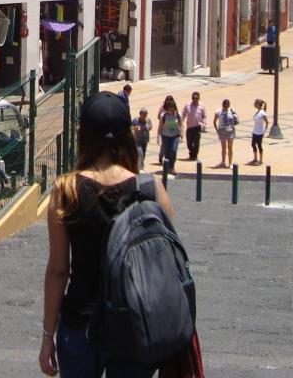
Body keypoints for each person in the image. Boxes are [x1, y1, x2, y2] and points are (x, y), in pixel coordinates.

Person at [39, 92, 177, 377]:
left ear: (82, 136)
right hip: (136, 323)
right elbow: (168, 262)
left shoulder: (66, 190)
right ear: (127, 136)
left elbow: (58, 270)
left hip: (80, 322)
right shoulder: (150, 188)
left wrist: (47, 335)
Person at [157, 96, 182, 173]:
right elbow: (160, 126)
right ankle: (167, 167)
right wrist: (158, 136)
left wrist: (181, 135)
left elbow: (181, 125)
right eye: (169, 110)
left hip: (175, 136)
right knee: (167, 152)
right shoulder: (163, 115)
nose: (170, 111)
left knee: (173, 151)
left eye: (172, 110)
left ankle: (172, 166)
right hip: (165, 136)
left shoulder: (178, 115)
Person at [214, 98, 238, 168]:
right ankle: (223, 162)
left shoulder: (232, 110)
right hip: (222, 130)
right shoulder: (218, 111)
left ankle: (230, 163)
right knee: (223, 147)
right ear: (223, 104)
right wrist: (217, 130)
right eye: (225, 104)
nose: (226, 106)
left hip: (230, 130)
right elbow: (214, 121)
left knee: (230, 147)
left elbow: (236, 119)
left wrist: (235, 120)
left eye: (228, 104)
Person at [183, 91, 206, 161]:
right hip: (189, 127)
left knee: (196, 143)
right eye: (193, 98)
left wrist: (204, 123)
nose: (195, 99)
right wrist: (180, 122)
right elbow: (183, 114)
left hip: (197, 127)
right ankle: (192, 153)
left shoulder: (201, 106)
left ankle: (195, 155)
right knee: (189, 143)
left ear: (198, 98)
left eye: (196, 98)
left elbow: (204, 116)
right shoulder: (187, 105)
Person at [249, 98, 268, 166]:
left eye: (255, 103)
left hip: (260, 132)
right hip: (255, 131)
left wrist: (264, 130)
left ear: (259, 104)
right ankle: (255, 158)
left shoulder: (262, 113)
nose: (254, 104)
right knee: (253, 144)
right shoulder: (257, 111)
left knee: (259, 145)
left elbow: (267, 122)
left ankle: (261, 160)